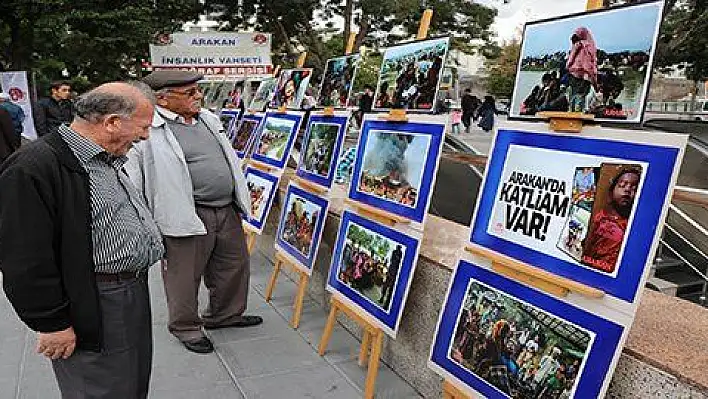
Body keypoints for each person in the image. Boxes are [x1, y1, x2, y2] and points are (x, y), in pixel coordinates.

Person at [0, 82, 164, 398]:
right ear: (113, 122)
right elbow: (23, 257)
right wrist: (52, 323)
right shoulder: (34, 167)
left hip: (127, 292)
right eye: (143, 127)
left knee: (129, 384)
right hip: (93, 299)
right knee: (99, 388)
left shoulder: (102, 157)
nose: (145, 136)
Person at [126, 70, 261, 355]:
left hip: (226, 208)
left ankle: (224, 315)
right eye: (190, 93)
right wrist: (144, 222)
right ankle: (186, 327)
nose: (199, 96)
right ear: (163, 98)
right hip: (185, 212)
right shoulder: (148, 128)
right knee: (183, 275)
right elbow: (133, 177)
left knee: (232, 267)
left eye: (198, 90)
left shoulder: (207, 119)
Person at [582, 168, 640, 273]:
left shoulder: (635, 225)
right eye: (622, 185)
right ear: (611, 191)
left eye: (634, 188)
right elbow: (588, 246)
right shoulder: (600, 217)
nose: (627, 189)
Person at [566, 27, 598, 112]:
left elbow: (569, 62)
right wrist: (595, 83)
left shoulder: (575, 46)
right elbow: (589, 67)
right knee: (580, 101)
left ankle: (571, 119)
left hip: (573, 76)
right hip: (583, 78)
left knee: (572, 100)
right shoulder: (588, 46)